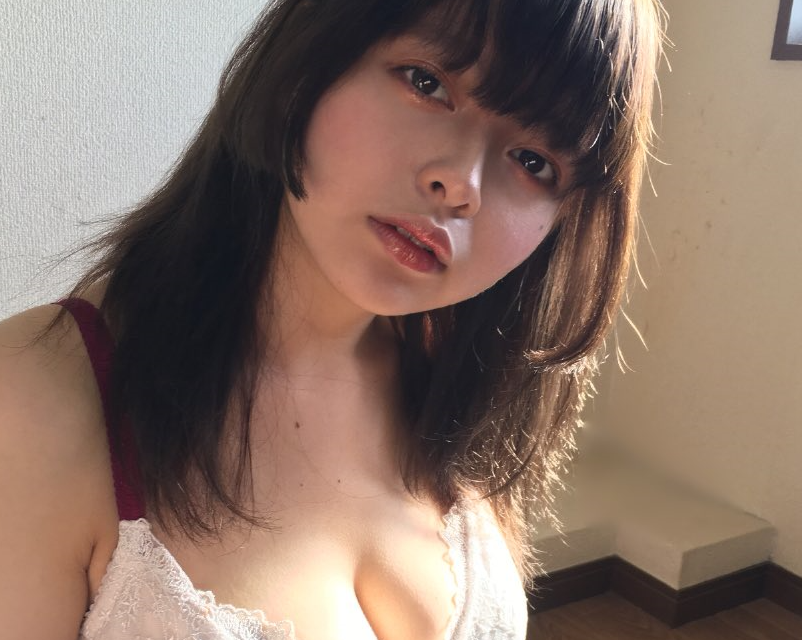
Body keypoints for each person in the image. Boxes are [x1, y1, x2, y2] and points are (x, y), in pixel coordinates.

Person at [0, 0, 665, 638]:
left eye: (533, 161)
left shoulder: (456, 379)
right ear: (309, 57)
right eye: (427, 83)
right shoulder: (34, 399)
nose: (462, 184)